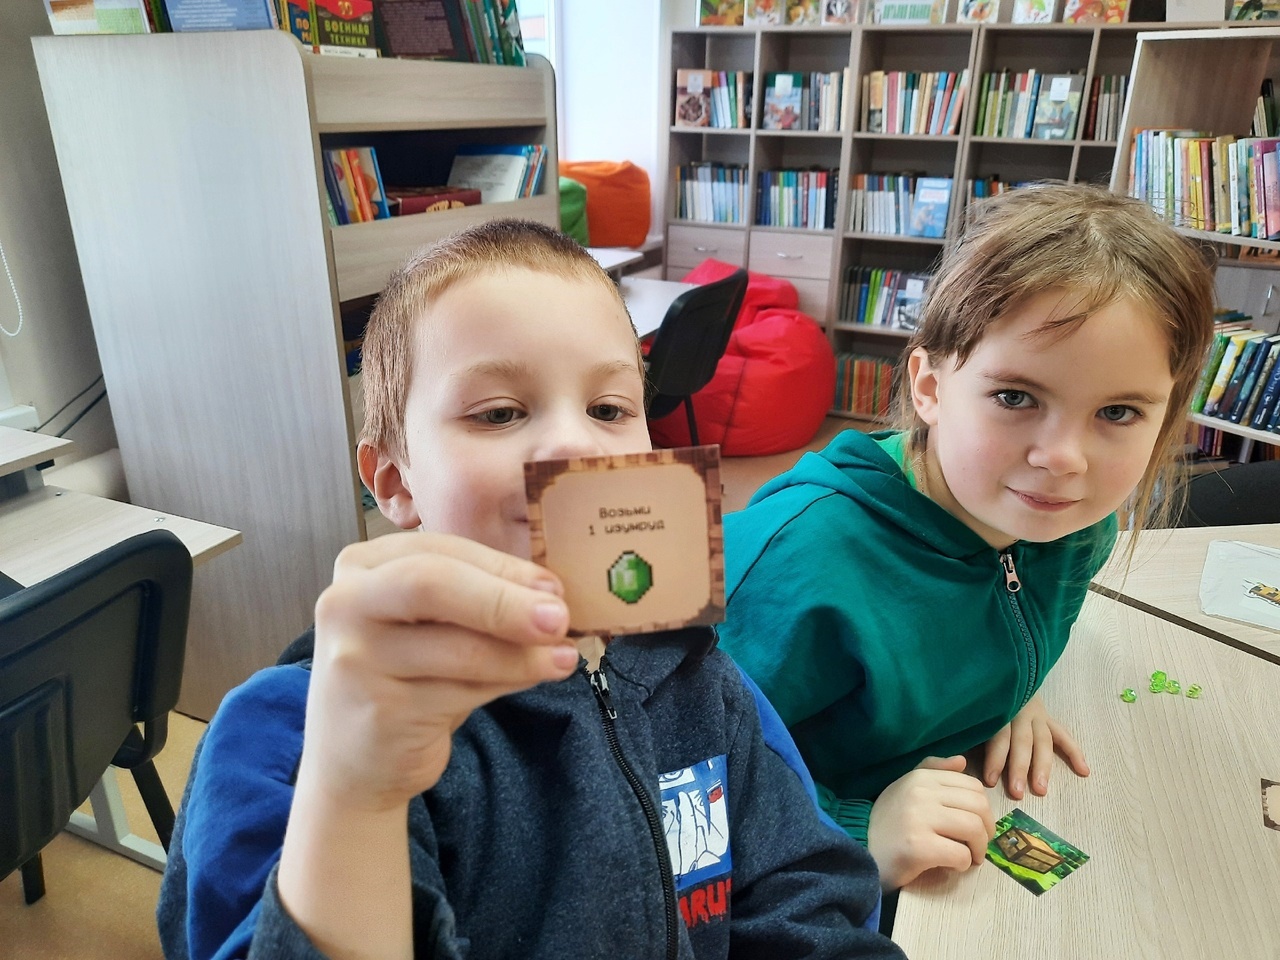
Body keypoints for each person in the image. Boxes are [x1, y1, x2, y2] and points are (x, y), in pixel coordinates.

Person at [156, 219, 903, 960]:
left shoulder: (697, 674)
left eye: (608, 410)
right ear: (395, 481)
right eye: (500, 413)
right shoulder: (288, 732)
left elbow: (803, 893)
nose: (575, 445)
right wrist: (354, 795)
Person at [716, 183, 1216, 893]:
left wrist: (1013, 687)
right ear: (929, 387)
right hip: (798, 872)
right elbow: (663, 779)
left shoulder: (1071, 522)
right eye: (1015, 397)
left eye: (1118, 412)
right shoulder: (793, 566)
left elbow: (1003, 611)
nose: (1064, 458)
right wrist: (854, 832)